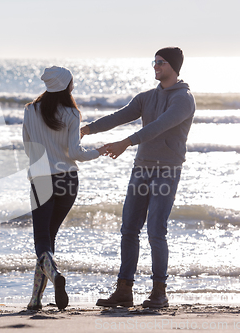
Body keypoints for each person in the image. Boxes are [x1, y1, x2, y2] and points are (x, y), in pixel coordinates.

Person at [81, 47, 196, 308]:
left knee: (156, 230)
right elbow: (118, 117)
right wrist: (86, 130)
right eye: (154, 62)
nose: (156, 66)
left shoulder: (184, 99)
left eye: (161, 62)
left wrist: (126, 142)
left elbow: (159, 126)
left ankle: (159, 292)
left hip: (166, 170)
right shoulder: (145, 98)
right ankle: (124, 290)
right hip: (141, 169)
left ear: (175, 67)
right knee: (129, 229)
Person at [22, 66, 108, 310]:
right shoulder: (72, 113)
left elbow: (28, 147)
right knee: (48, 239)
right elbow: (75, 153)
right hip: (68, 180)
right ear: (66, 86)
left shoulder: (30, 111)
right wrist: (98, 152)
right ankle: (36, 299)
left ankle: (55, 276)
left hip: (41, 179)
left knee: (42, 240)